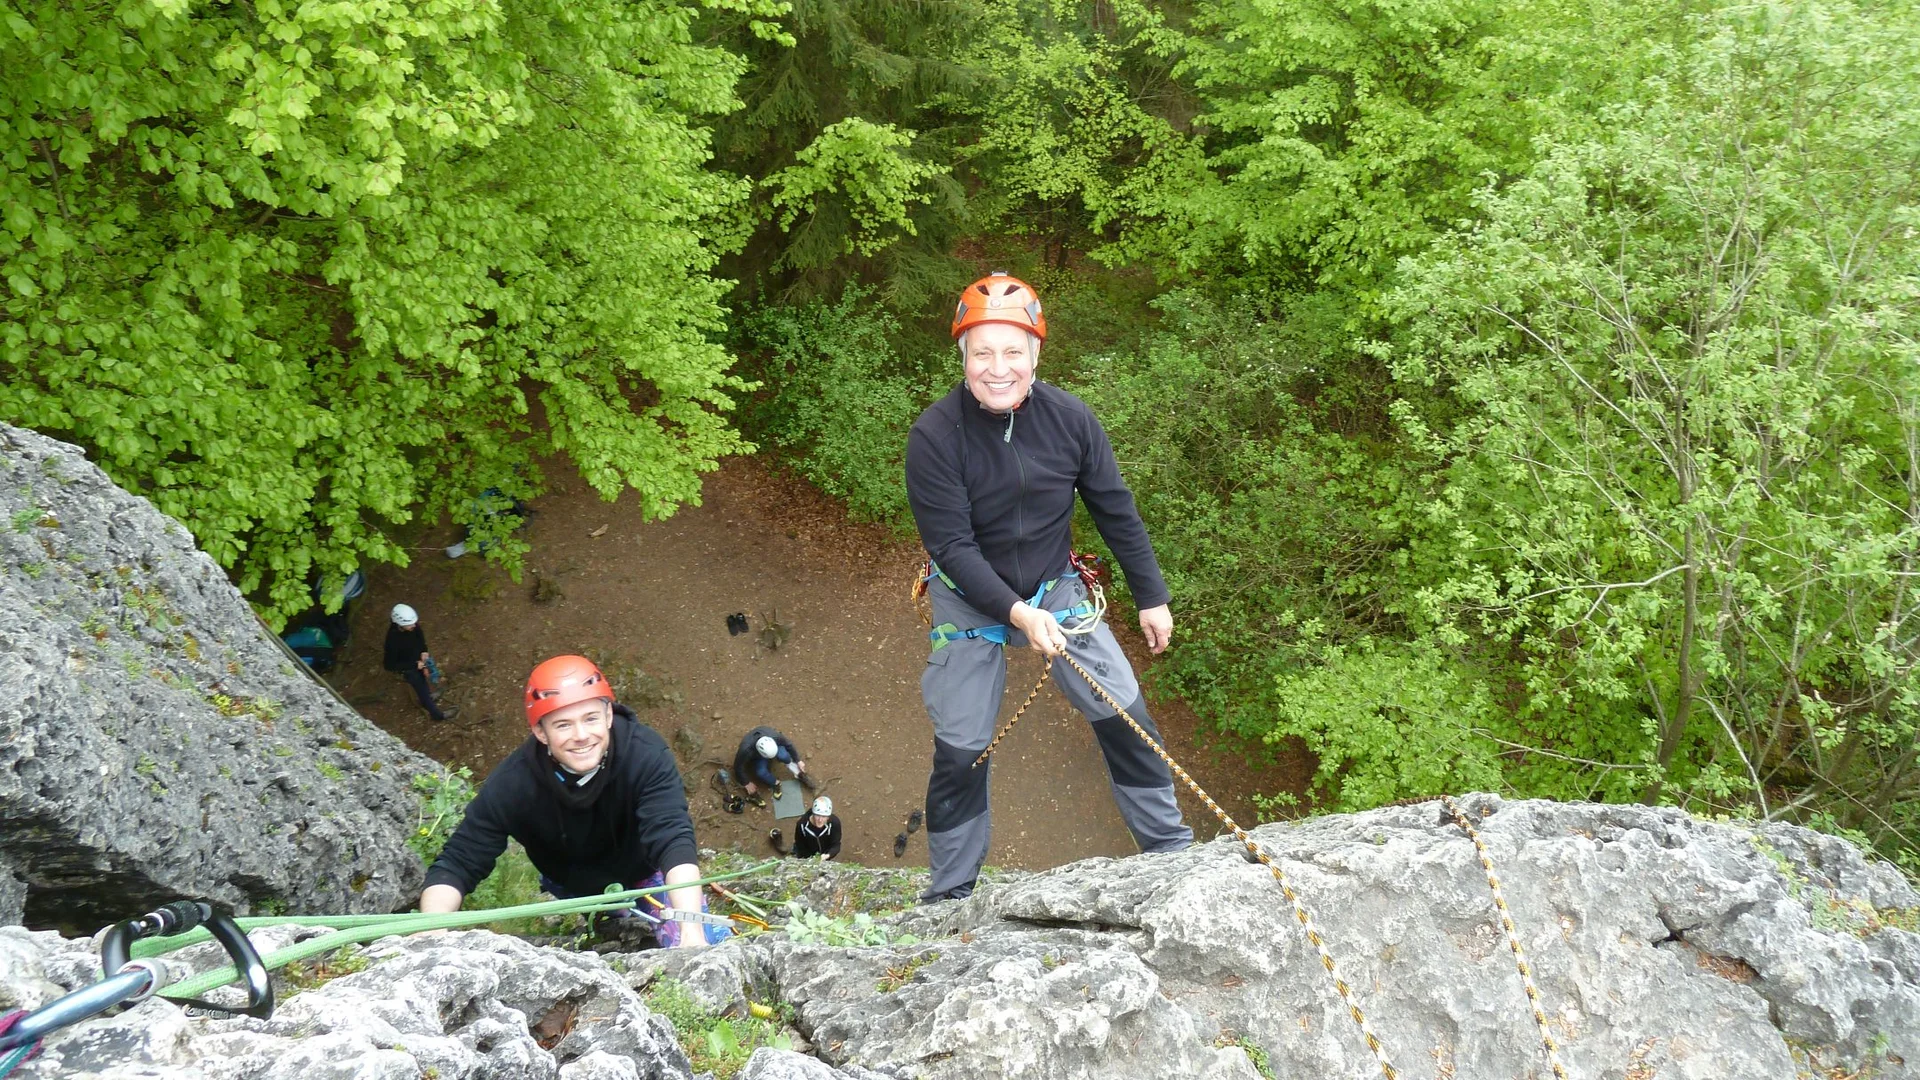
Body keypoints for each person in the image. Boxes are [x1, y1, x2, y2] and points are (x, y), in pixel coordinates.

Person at [904, 271, 1194, 902]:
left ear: (1036, 355)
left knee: (1126, 715)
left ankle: (1171, 850)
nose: (998, 368)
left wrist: (1151, 595)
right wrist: (1015, 613)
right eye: (982, 352)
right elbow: (952, 547)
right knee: (961, 749)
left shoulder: (1069, 419)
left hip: (1053, 588)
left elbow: (1114, 507)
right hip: (968, 600)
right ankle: (951, 893)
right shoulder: (936, 437)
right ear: (963, 357)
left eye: (1013, 351)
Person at [418, 655, 725, 948]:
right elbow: (459, 860)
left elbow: (673, 838)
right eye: (563, 725)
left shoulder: (644, 756)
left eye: (591, 718)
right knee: (620, 934)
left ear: (608, 715)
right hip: (578, 888)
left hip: (645, 873)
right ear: (540, 732)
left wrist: (692, 932)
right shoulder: (515, 784)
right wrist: (431, 931)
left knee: (704, 942)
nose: (581, 735)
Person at [383, 604, 457, 722]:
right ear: (400, 624)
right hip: (409, 669)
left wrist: (424, 651)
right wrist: (414, 665)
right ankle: (437, 715)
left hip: (419, 661)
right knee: (421, 688)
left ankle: (428, 697)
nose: (414, 625)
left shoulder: (413, 626)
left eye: (414, 623)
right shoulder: (392, 640)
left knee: (424, 681)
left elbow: (420, 637)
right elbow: (389, 665)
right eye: (410, 624)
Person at [732, 726, 807, 796]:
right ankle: (775, 783)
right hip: (758, 757)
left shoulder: (775, 736)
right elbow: (738, 767)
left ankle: (792, 766)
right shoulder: (746, 750)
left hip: (771, 749)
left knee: (784, 756)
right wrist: (746, 783)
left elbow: (789, 745)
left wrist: (798, 761)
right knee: (761, 772)